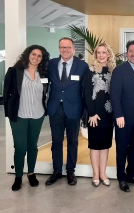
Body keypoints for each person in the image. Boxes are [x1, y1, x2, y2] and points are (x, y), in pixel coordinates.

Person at [3, 45, 50, 191]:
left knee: (32, 146)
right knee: (20, 147)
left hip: (37, 114)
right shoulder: (14, 71)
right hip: (19, 115)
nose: (36, 58)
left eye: (39, 56)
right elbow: (6, 94)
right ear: (28, 55)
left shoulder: (43, 73)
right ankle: (18, 177)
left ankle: (31, 173)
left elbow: (45, 93)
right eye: (33, 54)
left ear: (42, 59)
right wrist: (8, 114)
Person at [45, 37, 89, 186]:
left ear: (73, 49)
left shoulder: (82, 66)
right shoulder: (50, 64)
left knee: (73, 142)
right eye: (62, 47)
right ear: (59, 49)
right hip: (55, 109)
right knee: (56, 142)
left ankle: (71, 171)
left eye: (68, 47)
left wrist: (86, 111)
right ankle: (57, 171)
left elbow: (85, 90)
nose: (65, 50)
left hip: (74, 109)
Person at [110, 40, 134, 192]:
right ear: (127, 53)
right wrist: (118, 115)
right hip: (123, 118)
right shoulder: (120, 70)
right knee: (121, 148)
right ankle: (121, 177)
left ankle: (132, 174)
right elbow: (114, 95)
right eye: (131, 51)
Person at [83, 43, 116, 187]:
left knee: (105, 146)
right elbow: (87, 94)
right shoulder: (90, 70)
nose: (101, 55)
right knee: (95, 146)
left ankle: (103, 173)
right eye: (99, 52)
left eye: (104, 52)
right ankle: (95, 174)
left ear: (109, 54)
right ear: (95, 55)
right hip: (94, 115)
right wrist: (91, 113)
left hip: (109, 114)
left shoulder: (114, 71)